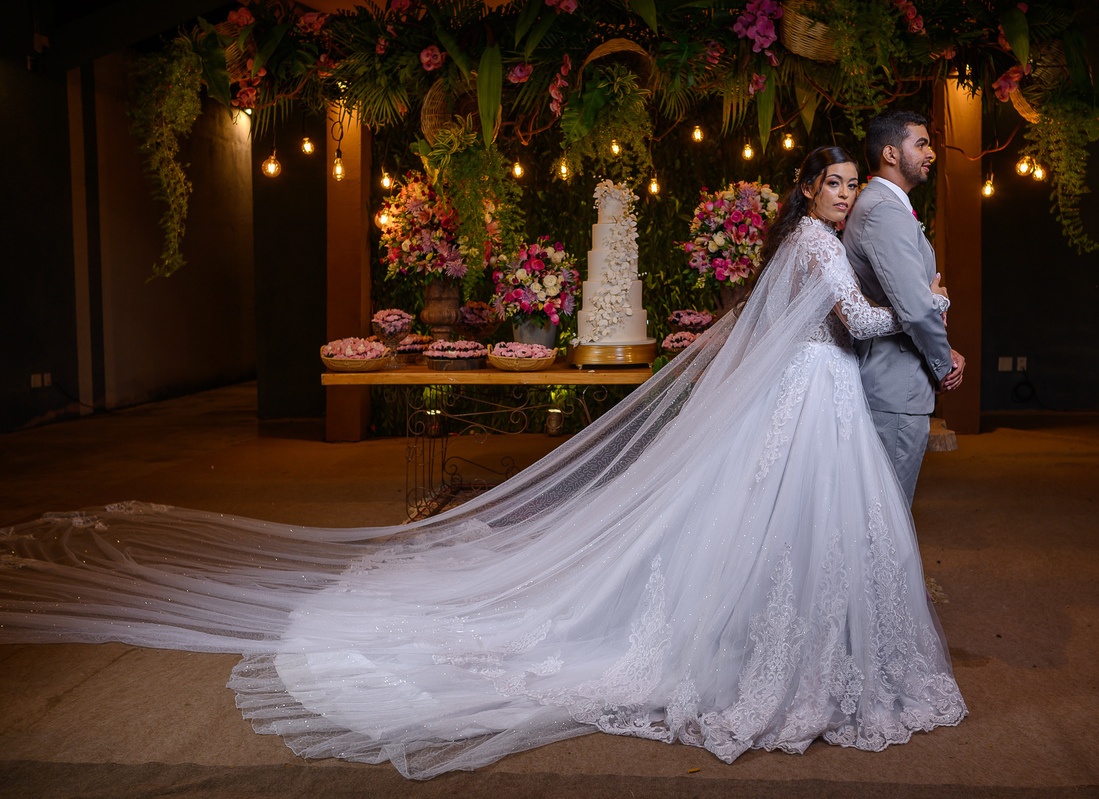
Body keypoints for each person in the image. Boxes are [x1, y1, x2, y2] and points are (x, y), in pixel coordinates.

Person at [0, 147, 966, 780]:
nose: (845, 195)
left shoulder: (800, 242)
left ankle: (776, 635)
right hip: (817, 390)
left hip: (804, 392)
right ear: (810, 191)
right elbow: (862, 319)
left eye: (852, 184)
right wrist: (932, 301)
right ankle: (790, 650)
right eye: (835, 183)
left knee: (780, 521)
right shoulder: (821, 246)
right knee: (800, 520)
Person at [842, 110, 966, 505]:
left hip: (894, 380)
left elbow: (910, 303)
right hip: (894, 385)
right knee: (887, 514)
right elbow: (915, 309)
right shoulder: (884, 210)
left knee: (882, 511)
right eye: (921, 144)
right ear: (891, 153)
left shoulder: (886, 205)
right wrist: (942, 364)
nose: (931, 153)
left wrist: (940, 338)